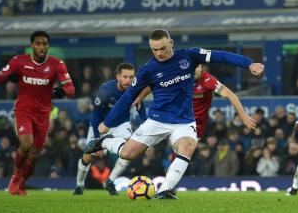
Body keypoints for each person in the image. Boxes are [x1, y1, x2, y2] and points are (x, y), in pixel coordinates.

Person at [83, 29, 264, 199]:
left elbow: (221, 56)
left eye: (162, 48)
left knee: (188, 146)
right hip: (157, 120)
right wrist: (108, 124)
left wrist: (249, 64)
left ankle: (165, 190)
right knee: (127, 154)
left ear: (171, 42)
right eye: (155, 50)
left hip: (184, 121)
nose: (159, 53)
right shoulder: (147, 70)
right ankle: (102, 143)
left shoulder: (189, 56)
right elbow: (128, 97)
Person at [0, 30, 75, 195]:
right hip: (23, 110)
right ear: (32, 45)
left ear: (48, 46)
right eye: (38, 43)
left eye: (44, 44)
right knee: (26, 144)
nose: (41, 47)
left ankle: (22, 184)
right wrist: (10, 75)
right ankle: (15, 176)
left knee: (35, 154)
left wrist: (61, 91)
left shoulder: (56, 63)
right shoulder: (19, 61)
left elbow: (71, 89)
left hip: (43, 115)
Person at [73, 63, 146, 195]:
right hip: (102, 124)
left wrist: (145, 129)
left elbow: (141, 109)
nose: (128, 80)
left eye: (131, 77)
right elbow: (95, 116)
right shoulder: (106, 91)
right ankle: (79, 184)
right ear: (117, 76)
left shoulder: (136, 89)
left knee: (128, 151)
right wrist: (96, 139)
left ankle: (110, 181)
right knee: (88, 156)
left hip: (122, 124)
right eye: (125, 77)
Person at [135, 64, 256, 139]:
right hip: (176, 115)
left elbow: (230, 94)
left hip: (197, 122)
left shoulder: (208, 80)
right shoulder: (179, 76)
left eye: (198, 67)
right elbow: (154, 85)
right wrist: (140, 97)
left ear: (201, 68)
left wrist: (243, 115)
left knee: (184, 151)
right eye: (193, 68)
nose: (195, 70)